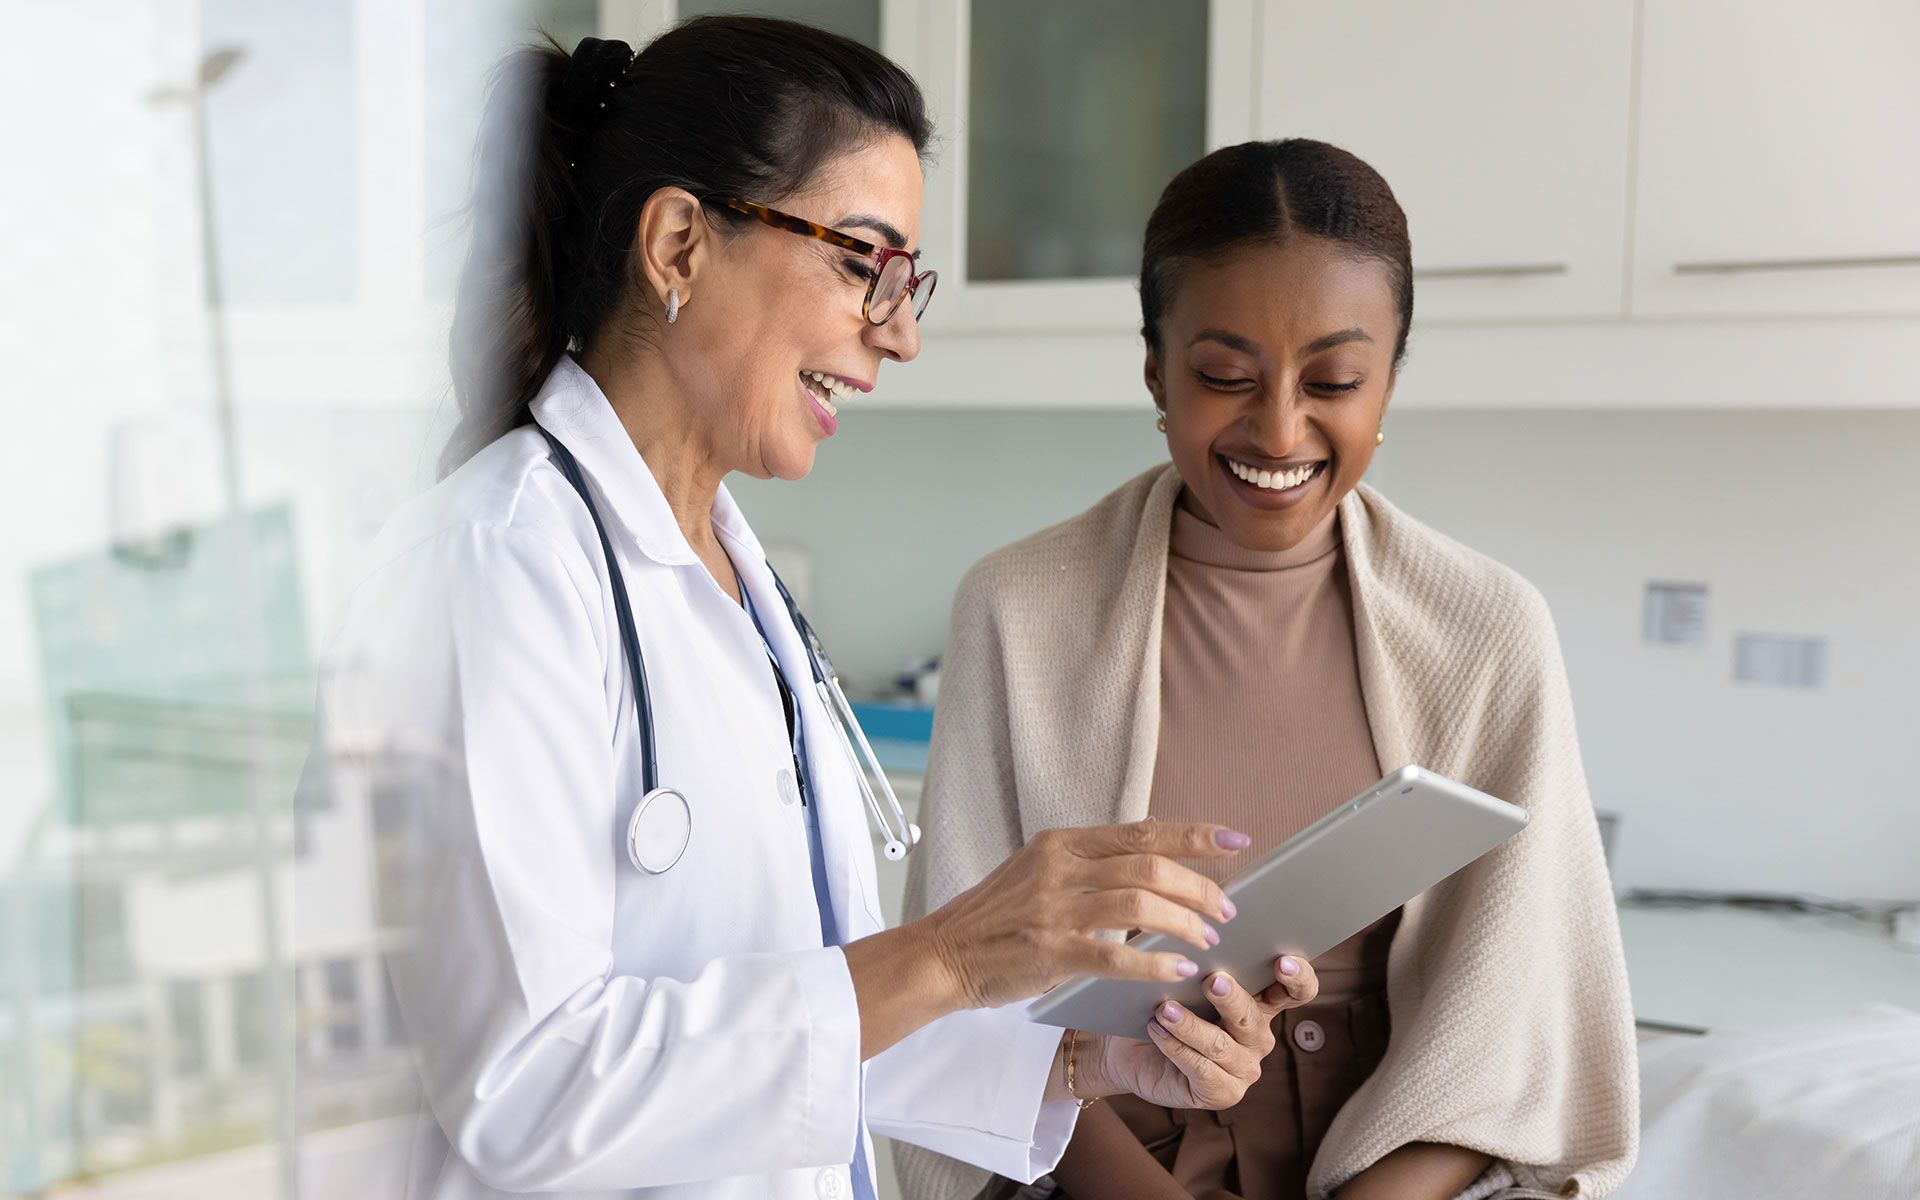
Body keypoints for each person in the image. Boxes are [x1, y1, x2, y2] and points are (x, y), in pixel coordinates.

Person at [313, 19, 1321, 1200]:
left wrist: (1099, 1059)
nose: (897, 332)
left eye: (906, 281)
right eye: (862, 261)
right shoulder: (488, 568)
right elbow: (528, 1091)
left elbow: (810, 1023)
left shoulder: (745, 591)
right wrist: (948, 953)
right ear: (680, 242)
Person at [894, 140, 1638, 1200]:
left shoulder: (1489, 629)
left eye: (1333, 379)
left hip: (1395, 1168)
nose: (1280, 428)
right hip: (1093, 1165)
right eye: (1224, 377)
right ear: (1156, 369)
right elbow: (968, 1009)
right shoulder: (1018, 611)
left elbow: (1516, 1027)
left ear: (1389, 378)